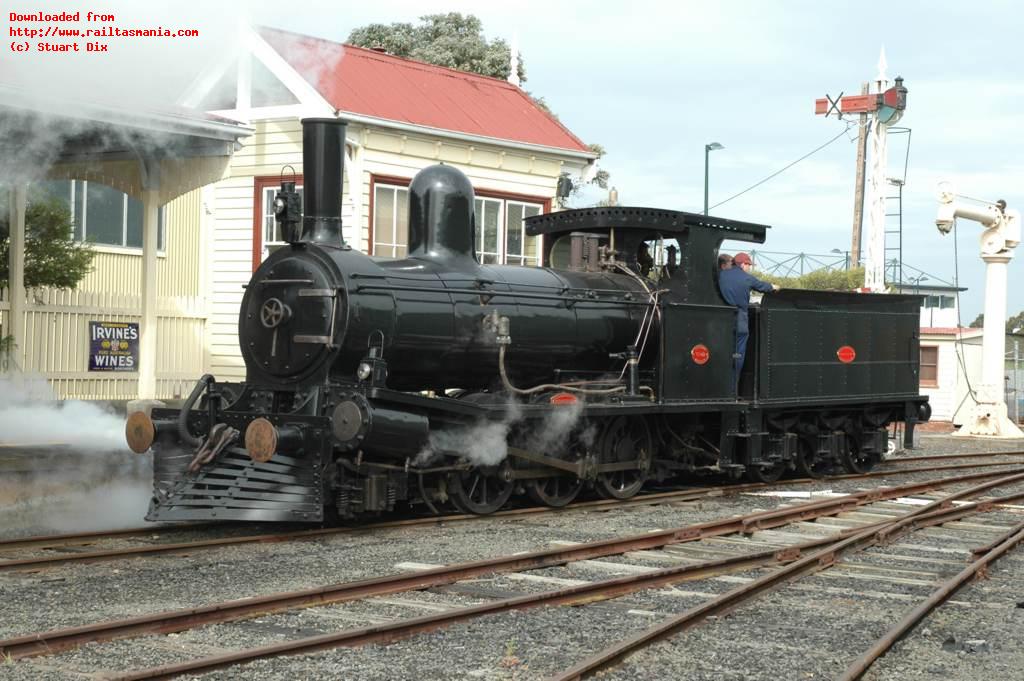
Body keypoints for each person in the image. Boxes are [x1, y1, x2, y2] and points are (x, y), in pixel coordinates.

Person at [718, 252, 780, 390]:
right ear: (743, 264)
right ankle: (732, 388)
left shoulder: (721, 275)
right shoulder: (746, 278)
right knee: (738, 355)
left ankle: (719, 386)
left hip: (721, 320)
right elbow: (764, 286)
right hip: (740, 318)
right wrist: (775, 287)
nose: (749, 268)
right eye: (748, 265)